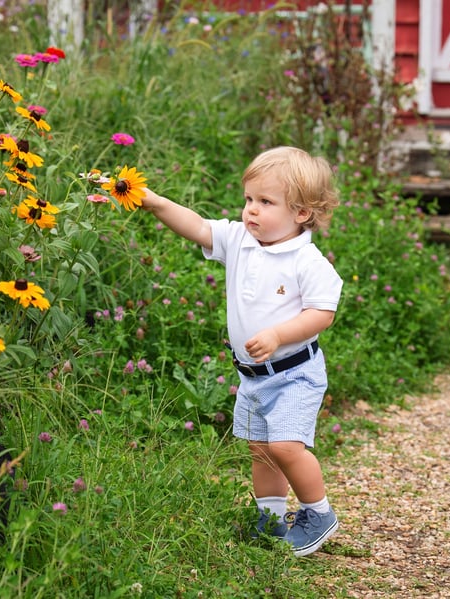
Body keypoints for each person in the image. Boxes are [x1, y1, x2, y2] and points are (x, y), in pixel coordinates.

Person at [140, 146, 343, 557]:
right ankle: (270, 519)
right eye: (249, 199)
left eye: (265, 202)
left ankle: (318, 513)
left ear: (302, 213)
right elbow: (196, 226)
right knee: (261, 450)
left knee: (286, 447)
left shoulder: (307, 260)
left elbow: (322, 313)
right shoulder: (239, 239)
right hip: (252, 376)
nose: (251, 210)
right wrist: (156, 202)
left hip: (294, 373)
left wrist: (278, 335)